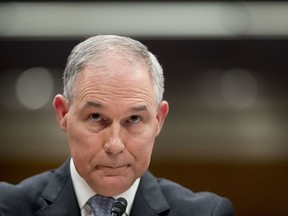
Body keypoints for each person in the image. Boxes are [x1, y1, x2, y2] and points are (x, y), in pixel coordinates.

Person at [0, 35, 234, 216]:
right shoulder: (6, 207)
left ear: (158, 120)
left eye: (133, 119)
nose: (114, 145)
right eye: (95, 117)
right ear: (64, 114)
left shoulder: (207, 212)